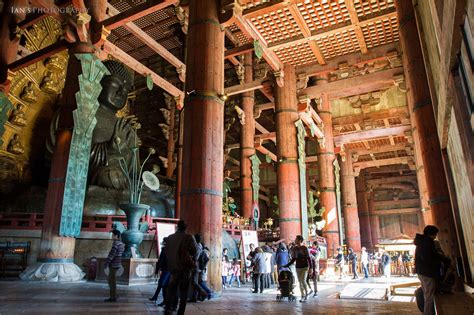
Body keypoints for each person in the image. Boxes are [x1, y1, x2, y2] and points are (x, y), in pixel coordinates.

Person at [164, 220, 200, 315]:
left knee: (172, 290)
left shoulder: (170, 238)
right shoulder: (188, 237)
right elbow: (196, 252)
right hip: (184, 269)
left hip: (172, 268)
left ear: (177, 227)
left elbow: (166, 252)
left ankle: (169, 308)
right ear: (185, 227)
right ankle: (180, 312)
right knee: (183, 292)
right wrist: (192, 259)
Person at [414, 225, 445, 315]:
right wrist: (438, 262)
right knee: (429, 296)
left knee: (426, 294)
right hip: (427, 272)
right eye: (435, 234)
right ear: (432, 234)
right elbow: (428, 258)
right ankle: (427, 313)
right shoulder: (427, 242)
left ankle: (427, 312)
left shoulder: (421, 241)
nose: (435, 236)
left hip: (421, 271)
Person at [284, 235, 310, 302]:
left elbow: (308, 258)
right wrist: (287, 265)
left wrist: (311, 267)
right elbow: (294, 259)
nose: (295, 240)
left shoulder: (304, 248)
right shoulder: (294, 248)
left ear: (300, 240)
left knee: (303, 280)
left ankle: (306, 294)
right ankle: (302, 296)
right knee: (300, 282)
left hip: (305, 266)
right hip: (298, 267)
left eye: (296, 239)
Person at [104, 229, 125, 302]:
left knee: (111, 282)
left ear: (116, 236)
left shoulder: (116, 244)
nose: (112, 236)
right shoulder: (121, 244)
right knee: (113, 281)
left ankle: (113, 297)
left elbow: (111, 255)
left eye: (113, 235)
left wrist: (106, 263)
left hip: (113, 265)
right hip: (117, 264)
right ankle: (113, 296)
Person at [150, 237, 170, 305]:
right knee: (164, 285)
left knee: (161, 283)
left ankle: (157, 297)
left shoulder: (164, 249)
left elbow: (160, 261)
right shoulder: (172, 249)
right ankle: (163, 300)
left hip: (166, 269)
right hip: (170, 269)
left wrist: (156, 270)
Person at [189, 234, 207, 302]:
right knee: (195, 281)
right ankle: (194, 297)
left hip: (195, 264)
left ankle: (203, 292)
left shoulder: (198, 246)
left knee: (194, 281)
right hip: (197, 264)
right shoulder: (199, 245)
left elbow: (196, 256)